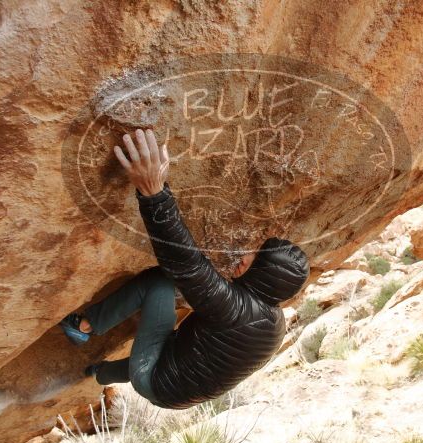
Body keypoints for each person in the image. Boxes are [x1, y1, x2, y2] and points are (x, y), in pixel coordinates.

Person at [60, 129, 309, 409]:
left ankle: (84, 326)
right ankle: (99, 373)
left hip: (155, 380)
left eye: (256, 257)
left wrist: (153, 192)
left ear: (264, 274)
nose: (244, 256)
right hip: (179, 390)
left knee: (161, 284)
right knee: (165, 346)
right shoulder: (275, 323)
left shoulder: (235, 310)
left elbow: (185, 263)